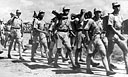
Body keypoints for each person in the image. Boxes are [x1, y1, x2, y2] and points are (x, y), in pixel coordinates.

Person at [84, 10, 116, 76]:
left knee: (103, 53)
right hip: (93, 39)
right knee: (90, 54)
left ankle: (107, 70)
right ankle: (88, 69)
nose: (98, 13)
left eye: (99, 12)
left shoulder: (102, 21)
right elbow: (86, 29)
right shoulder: (91, 21)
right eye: (97, 12)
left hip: (99, 39)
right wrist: (88, 38)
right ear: (95, 13)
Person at [106, 2, 128, 73]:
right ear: (113, 8)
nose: (117, 8)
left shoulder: (120, 16)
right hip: (112, 35)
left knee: (126, 50)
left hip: (119, 35)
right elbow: (110, 26)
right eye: (116, 7)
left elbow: (121, 26)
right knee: (110, 52)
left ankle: (127, 67)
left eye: (118, 6)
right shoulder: (111, 16)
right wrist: (119, 35)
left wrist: (121, 34)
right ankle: (109, 67)